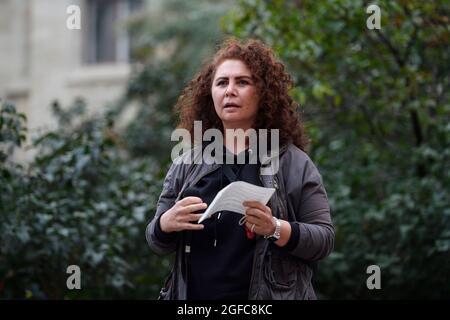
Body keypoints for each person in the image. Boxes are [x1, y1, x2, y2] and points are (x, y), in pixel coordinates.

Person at [145, 37, 334, 300]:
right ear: (210, 94)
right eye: (222, 82)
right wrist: (166, 223)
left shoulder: (293, 162)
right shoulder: (186, 163)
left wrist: (275, 228)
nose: (229, 91)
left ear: (264, 93)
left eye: (242, 82)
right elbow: (156, 240)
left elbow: (323, 240)